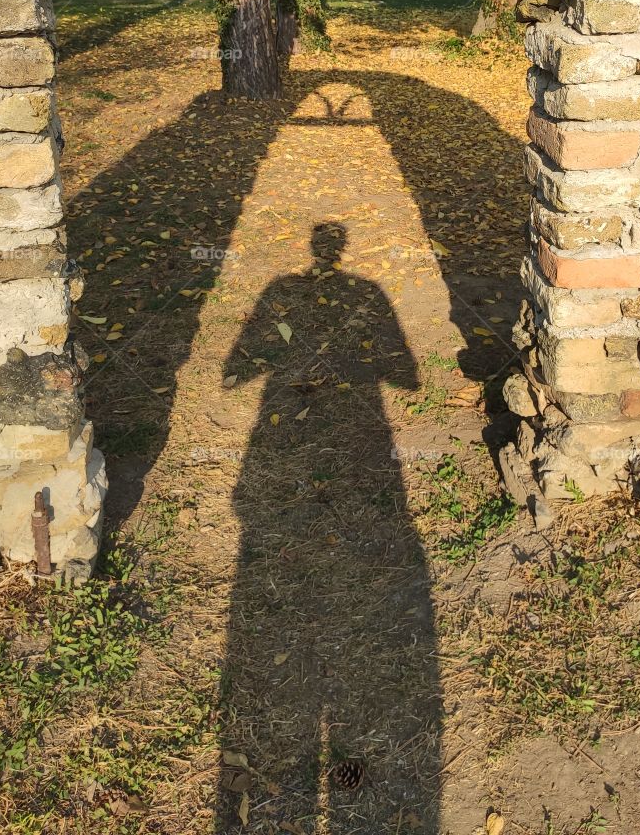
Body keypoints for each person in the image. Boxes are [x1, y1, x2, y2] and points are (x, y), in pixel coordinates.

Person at [219, 222, 443, 831]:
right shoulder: (364, 290)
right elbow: (404, 371)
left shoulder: (292, 289)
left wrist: (245, 368)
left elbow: (242, 359)